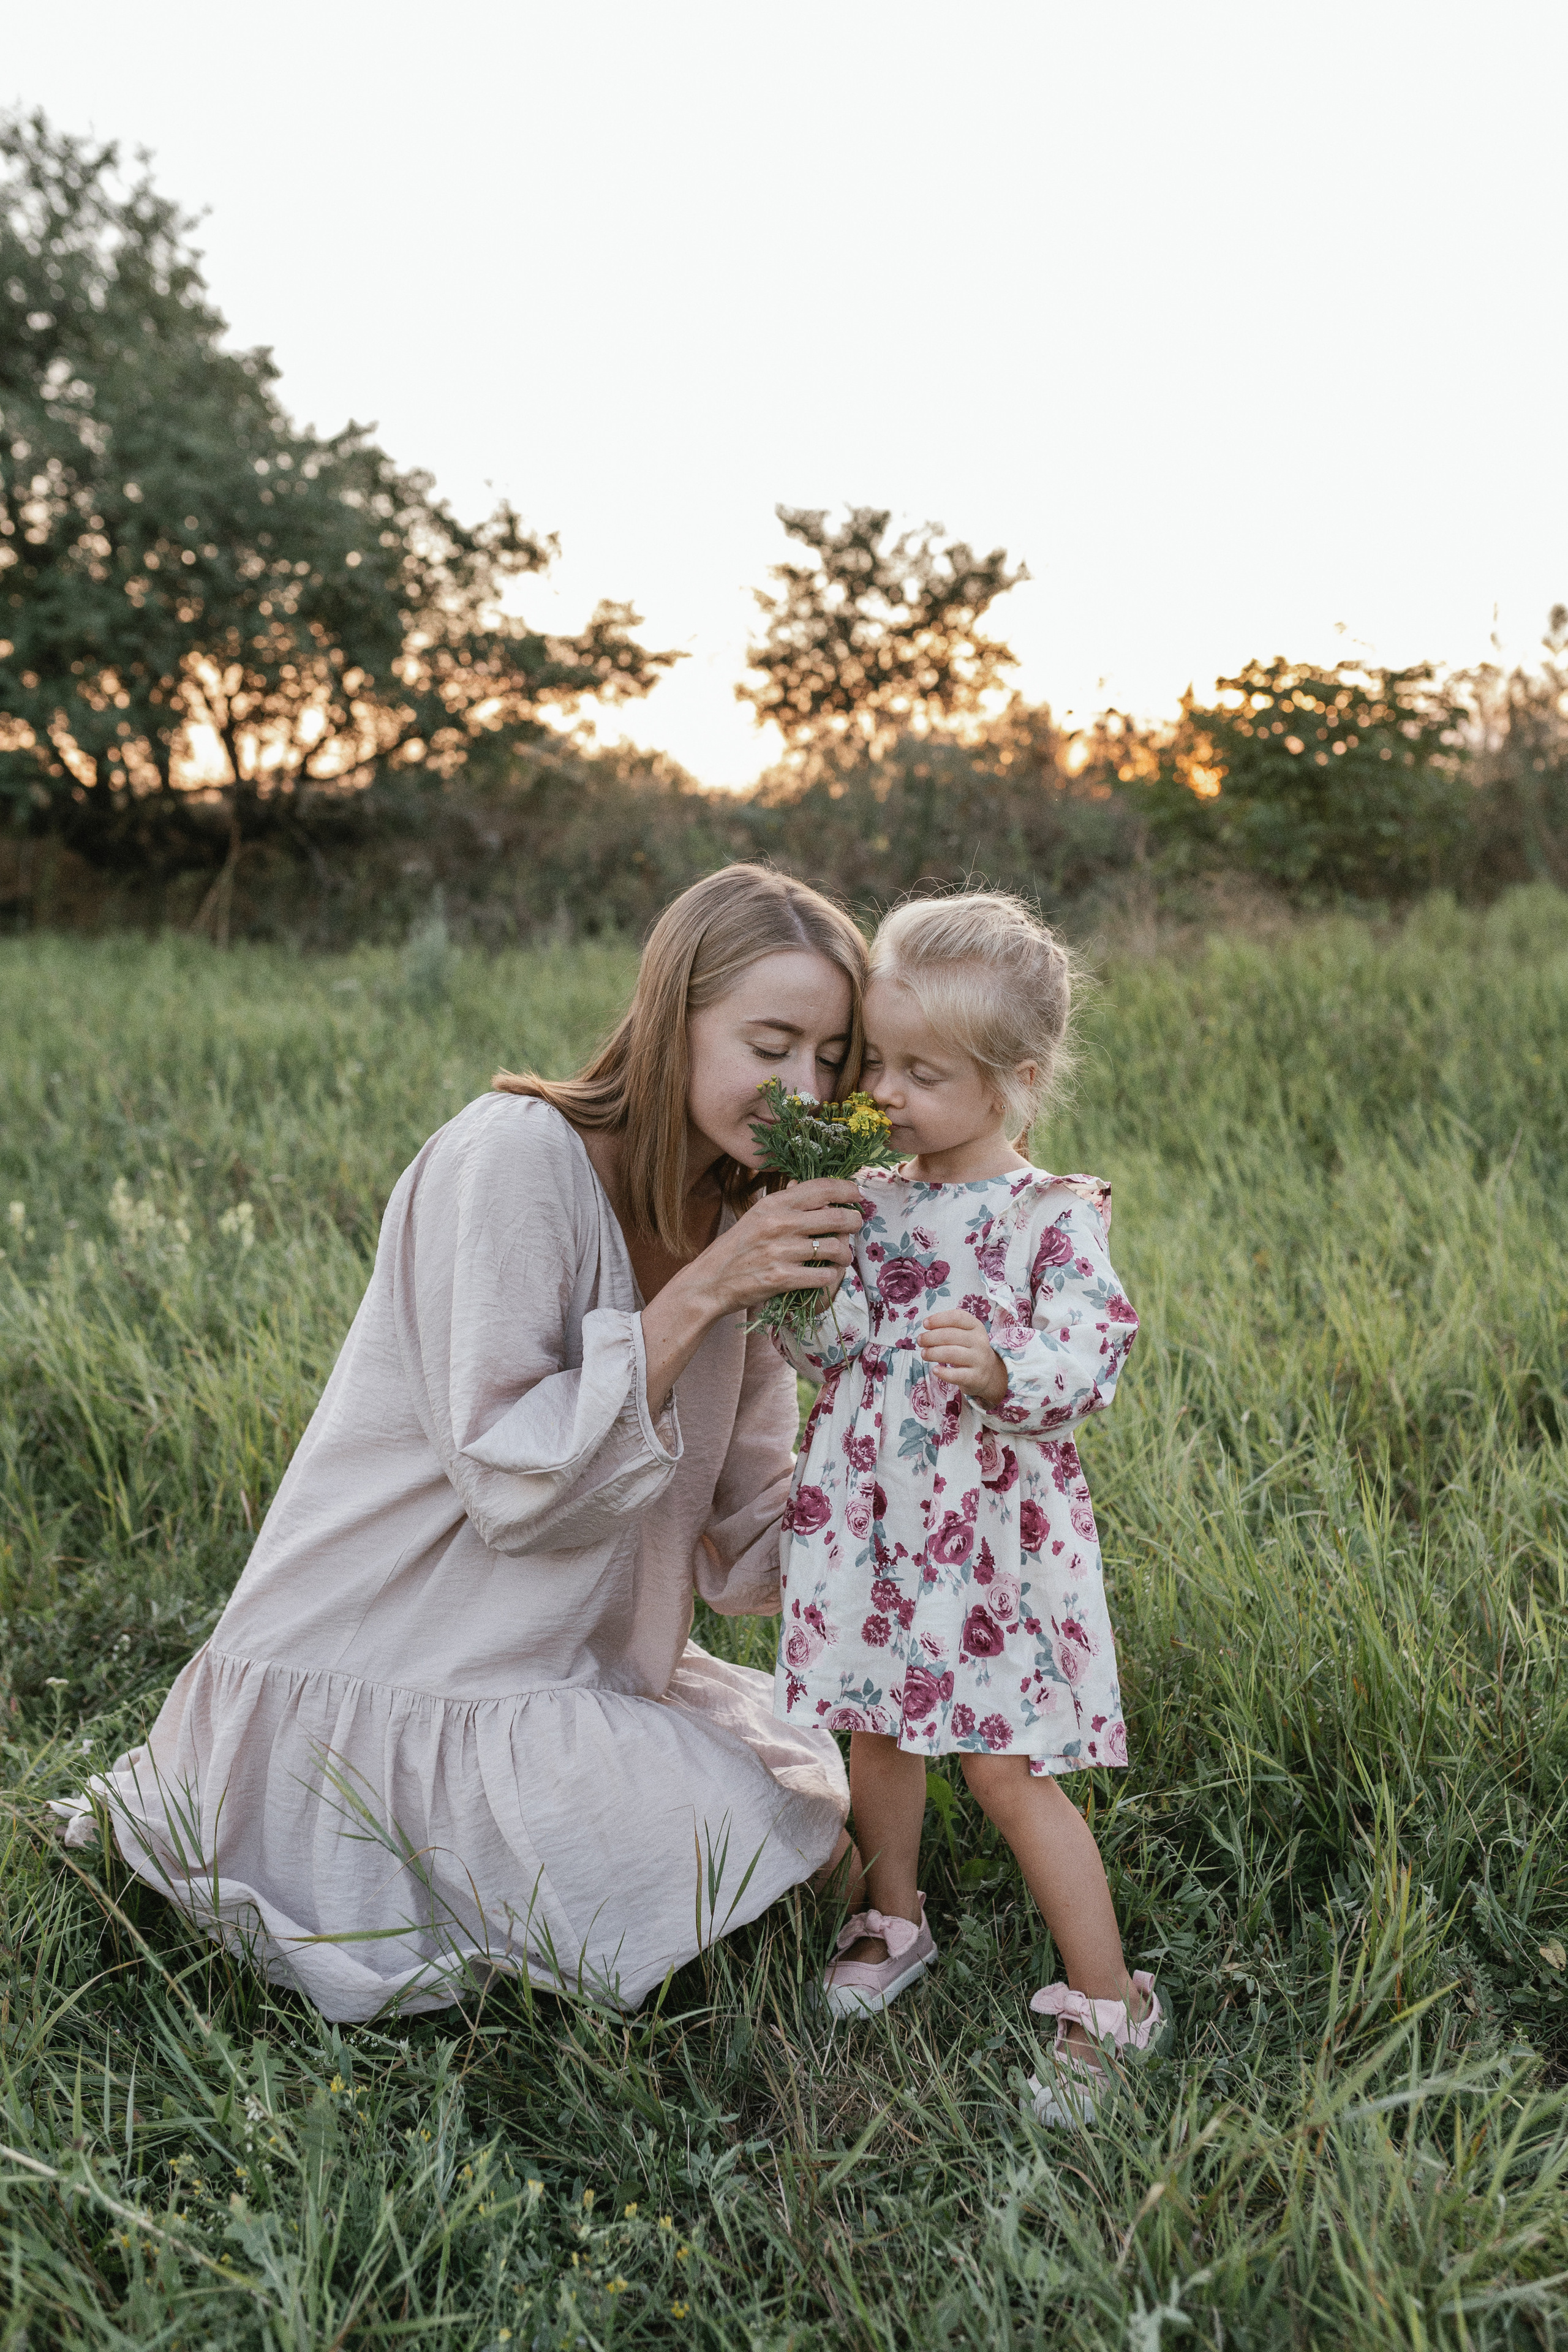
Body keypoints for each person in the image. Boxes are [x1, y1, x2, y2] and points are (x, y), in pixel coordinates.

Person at [56, 865, 875, 2022]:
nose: (800, 1087)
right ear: (669, 1021)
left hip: (577, 1656)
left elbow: (741, 1544)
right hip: (400, 1659)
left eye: (833, 1061)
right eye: (771, 1043)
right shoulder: (513, 1156)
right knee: (756, 1855)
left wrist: (897, 1442)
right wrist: (700, 1296)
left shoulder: (746, 1223)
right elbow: (510, 1485)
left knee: (811, 1827)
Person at [770, 890, 1161, 2123]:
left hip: (988, 1551)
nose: (882, 1091)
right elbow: (823, 1349)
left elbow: (1091, 1355)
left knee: (1001, 1766)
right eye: (873, 1062)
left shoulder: (1049, 1217)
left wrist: (999, 1369)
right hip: (873, 1530)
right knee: (875, 1732)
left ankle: (1110, 1998)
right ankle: (893, 1917)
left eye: (920, 1072)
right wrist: (792, 1279)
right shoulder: (868, 1198)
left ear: (1014, 1081)